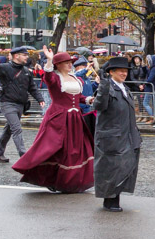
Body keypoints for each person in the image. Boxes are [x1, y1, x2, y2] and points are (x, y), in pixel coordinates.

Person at [10, 47, 95, 193]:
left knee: (77, 149)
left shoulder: (76, 78)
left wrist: (89, 99)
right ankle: (57, 179)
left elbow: (78, 97)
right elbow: (47, 77)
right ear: (58, 65)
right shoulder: (55, 78)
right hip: (59, 118)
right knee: (57, 148)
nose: (70, 65)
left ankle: (74, 180)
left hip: (75, 118)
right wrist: (49, 59)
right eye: (66, 62)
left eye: (71, 62)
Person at [91, 56, 141, 212]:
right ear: (111, 72)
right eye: (120, 71)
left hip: (127, 134)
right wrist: (104, 84)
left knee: (124, 167)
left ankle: (114, 198)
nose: (124, 73)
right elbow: (99, 105)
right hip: (112, 136)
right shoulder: (107, 86)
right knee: (112, 168)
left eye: (125, 71)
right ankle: (110, 200)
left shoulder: (124, 88)